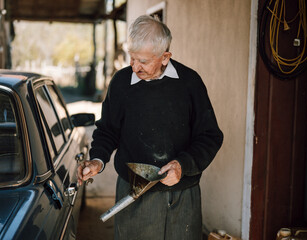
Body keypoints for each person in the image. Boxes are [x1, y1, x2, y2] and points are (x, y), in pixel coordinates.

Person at [77, 15, 223, 240]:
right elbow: (107, 130)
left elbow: (210, 136)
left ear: (165, 57)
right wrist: (98, 160)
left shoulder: (190, 82)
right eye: (132, 58)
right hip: (133, 194)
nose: (135, 67)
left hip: (183, 196)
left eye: (143, 61)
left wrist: (182, 166)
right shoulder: (121, 82)